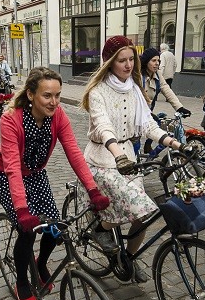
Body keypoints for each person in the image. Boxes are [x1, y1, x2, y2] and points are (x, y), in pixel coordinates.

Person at [0, 67, 111, 300]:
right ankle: (22, 281)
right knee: (26, 232)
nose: (54, 102)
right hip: (6, 176)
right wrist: (22, 210)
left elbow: (74, 153)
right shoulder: (11, 118)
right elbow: (12, 166)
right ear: (32, 94)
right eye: (47, 96)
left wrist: (93, 190)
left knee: (54, 228)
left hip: (36, 175)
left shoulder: (58, 115)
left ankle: (40, 262)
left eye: (57, 95)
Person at [81, 36, 192, 283]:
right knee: (139, 206)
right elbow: (102, 126)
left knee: (143, 216)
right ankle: (100, 228)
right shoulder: (98, 91)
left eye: (131, 59)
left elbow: (147, 125)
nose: (129, 64)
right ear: (110, 62)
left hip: (129, 159)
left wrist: (176, 144)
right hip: (102, 159)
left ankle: (128, 259)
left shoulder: (134, 89)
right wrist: (117, 154)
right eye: (122, 60)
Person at [139, 47, 192, 153]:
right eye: (153, 61)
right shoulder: (139, 76)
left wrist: (179, 107)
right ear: (146, 62)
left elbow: (166, 89)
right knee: (135, 139)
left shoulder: (157, 74)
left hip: (147, 110)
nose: (157, 63)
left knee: (157, 122)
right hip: (137, 111)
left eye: (158, 60)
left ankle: (147, 145)